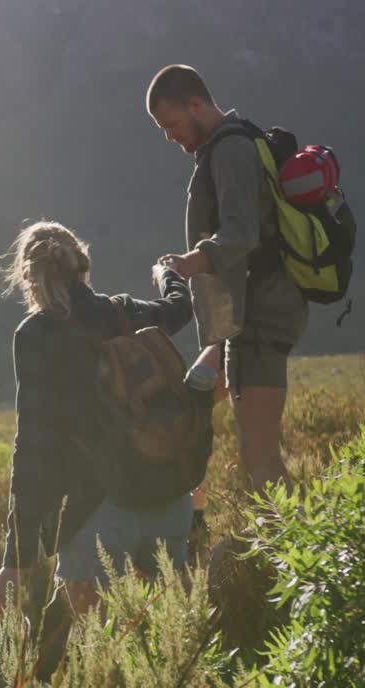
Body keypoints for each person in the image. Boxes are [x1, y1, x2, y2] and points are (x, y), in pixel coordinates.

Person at [0, 220, 198, 678]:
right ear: (83, 264)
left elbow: (33, 450)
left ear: (28, 277)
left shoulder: (36, 336)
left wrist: (16, 562)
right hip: (170, 500)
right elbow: (180, 308)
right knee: (174, 653)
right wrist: (168, 273)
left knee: (104, 663)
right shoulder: (124, 312)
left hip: (97, 516)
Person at [147, 64, 308, 497]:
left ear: (196, 104)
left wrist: (186, 265)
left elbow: (241, 234)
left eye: (173, 124)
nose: (169, 136)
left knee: (261, 461)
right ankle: (197, 516)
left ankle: (316, 559)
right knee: (240, 442)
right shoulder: (229, 144)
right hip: (250, 316)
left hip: (260, 316)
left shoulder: (232, 150)